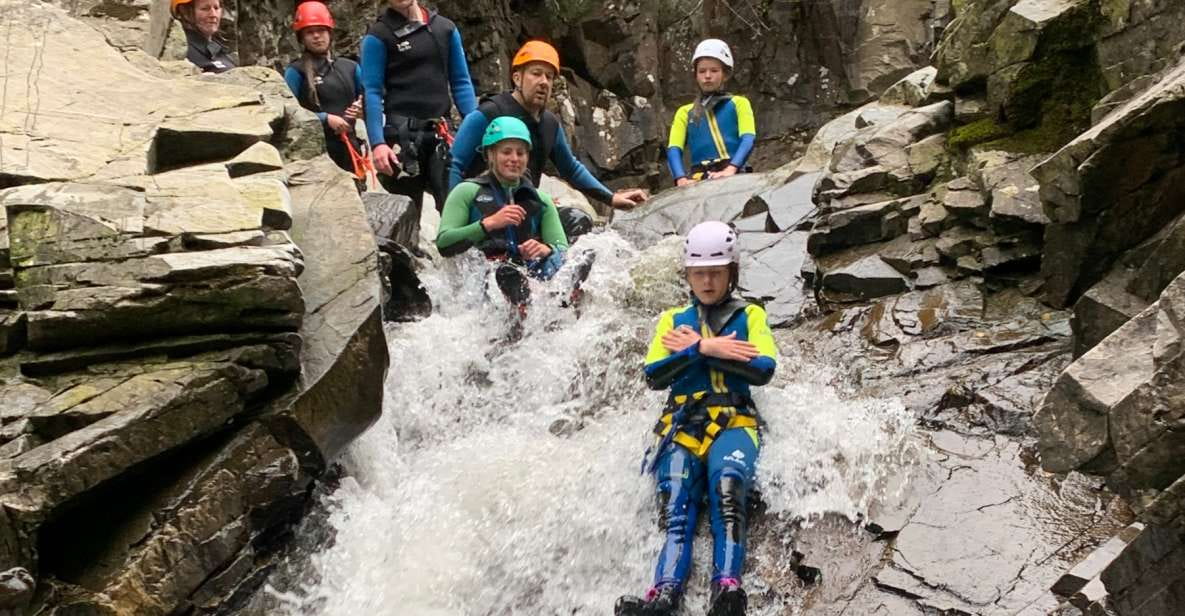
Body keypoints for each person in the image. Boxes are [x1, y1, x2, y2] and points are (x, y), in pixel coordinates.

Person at [616, 221, 777, 616]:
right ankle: (664, 594)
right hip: (683, 425)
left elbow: (764, 368)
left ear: (731, 274)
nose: (707, 281)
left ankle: (727, 588)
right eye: (699, 273)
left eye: (716, 272)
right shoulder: (672, 321)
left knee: (728, 488)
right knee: (676, 505)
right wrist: (706, 348)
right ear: (687, 275)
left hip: (734, 420)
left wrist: (700, 346)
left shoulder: (751, 314)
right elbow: (653, 374)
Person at [448, 41, 648, 225]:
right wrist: (454, 216)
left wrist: (611, 198)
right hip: (483, 212)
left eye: (549, 76)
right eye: (536, 73)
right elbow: (454, 165)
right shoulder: (488, 113)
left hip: (522, 211)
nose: (544, 82)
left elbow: (571, 169)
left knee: (578, 221)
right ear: (517, 78)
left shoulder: (549, 124)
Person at [436, 116, 578, 308]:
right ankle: (521, 301)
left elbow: (562, 249)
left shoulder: (541, 200)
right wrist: (489, 224)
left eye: (520, 153)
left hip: (529, 271)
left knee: (573, 260)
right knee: (503, 272)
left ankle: (551, 299)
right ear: (491, 155)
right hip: (483, 278)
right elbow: (444, 243)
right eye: (506, 152)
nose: (514, 159)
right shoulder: (466, 192)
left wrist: (546, 249)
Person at [361, 0, 477, 212]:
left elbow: (461, 82)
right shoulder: (378, 37)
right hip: (401, 139)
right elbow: (372, 92)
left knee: (455, 209)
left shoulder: (445, 28)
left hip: (441, 133)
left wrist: (475, 125)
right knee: (403, 216)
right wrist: (377, 143)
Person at [283, 2, 365, 176]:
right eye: (309, 32)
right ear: (302, 38)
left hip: (349, 148)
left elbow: (371, 97)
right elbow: (289, 111)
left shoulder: (349, 67)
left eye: (321, 30)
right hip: (314, 153)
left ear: (329, 33)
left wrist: (362, 107)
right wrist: (326, 118)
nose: (316, 36)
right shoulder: (296, 72)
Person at [667, 39, 756, 187]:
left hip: (735, 171)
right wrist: (680, 178)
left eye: (714, 71)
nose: (707, 76)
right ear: (696, 75)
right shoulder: (684, 112)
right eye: (702, 71)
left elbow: (748, 138)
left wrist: (732, 168)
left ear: (725, 74)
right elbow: (674, 148)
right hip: (699, 176)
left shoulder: (739, 103)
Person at [171, 0, 236, 74]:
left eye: (216, 8)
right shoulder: (182, 52)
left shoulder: (217, 50)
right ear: (184, 12)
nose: (213, 14)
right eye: (205, 9)